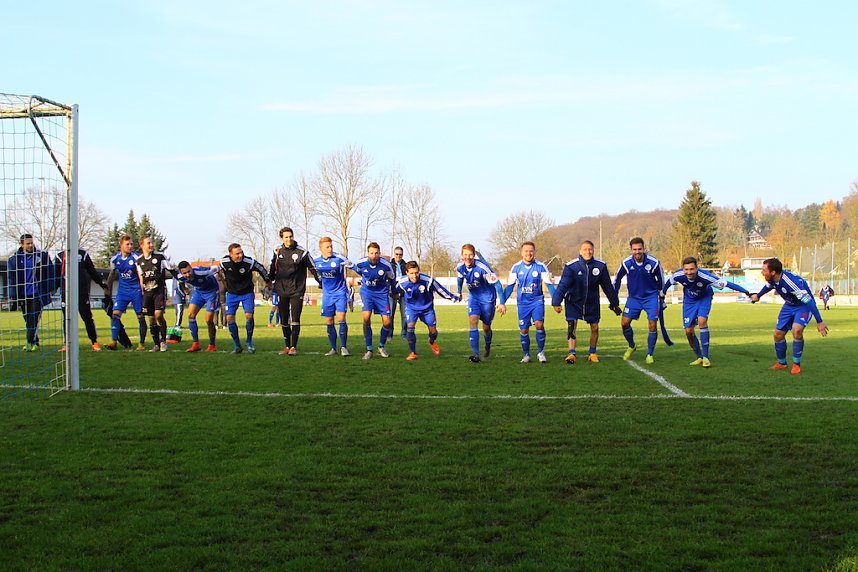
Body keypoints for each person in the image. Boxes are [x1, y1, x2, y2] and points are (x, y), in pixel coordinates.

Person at [662, 256, 750, 368]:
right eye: (686, 269)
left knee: (702, 321)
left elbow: (727, 284)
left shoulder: (706, 277)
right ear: (683, 269)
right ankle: (699, 357)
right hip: (689, 301)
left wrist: (747, 292)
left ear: (696, 269)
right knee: (688, 331)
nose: (689, 272)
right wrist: (662, 294)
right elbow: (668, 283)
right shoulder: (678, 275)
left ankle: (706, 357)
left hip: (704, 298)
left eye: (692, 269)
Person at [749, 257, 828, 374]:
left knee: (797, 330)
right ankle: (782, 363)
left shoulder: (791, 283)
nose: (762, 272)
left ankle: (796, 364)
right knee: (778, 334)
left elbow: (809, 301)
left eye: (764, 270)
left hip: (803, 306)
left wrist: (819, 321)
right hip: (789, 306)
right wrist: (758, 295)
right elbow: (769, 286)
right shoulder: (773, 279)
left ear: (773, 272)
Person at [551, 240, 622, 364]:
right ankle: (571, 353)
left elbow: (607, 286)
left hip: (592, 303)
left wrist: (614, 303)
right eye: (585, 249)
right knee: (572, 326)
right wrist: (556, 302)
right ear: (580, 251)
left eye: (590, 249)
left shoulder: (600, 266)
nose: (588, 252)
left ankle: (592, 353)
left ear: (593, 250)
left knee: (595, 328)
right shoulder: (571, 267)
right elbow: (563, 285)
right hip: (573, 302)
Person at [499, 241, 556, 363]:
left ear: (534, 252)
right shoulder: (516, 267)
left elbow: (549, 285)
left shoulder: (541, 267)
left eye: (531, 251)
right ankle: (526, 355)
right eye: (526, 251)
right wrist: (502, 302)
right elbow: (509, 287)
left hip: (537, 301)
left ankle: (540, 352)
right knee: (524, 330)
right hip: (522, 303)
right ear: (521, 252)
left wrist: (556, 301)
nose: (528, 253)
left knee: (539, 324)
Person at [268, 227, 319, 356]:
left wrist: (321, 282)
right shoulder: (277, 251)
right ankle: (287, 346)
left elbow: (313, 268)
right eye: (286, 237)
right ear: (282, 238)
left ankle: (293, 347)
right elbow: (272, 268)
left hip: (297, 290)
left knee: (295, 318)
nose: (289, 239)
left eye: (290, 236)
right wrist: (268, 281)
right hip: (281, 290)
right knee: (284, 320)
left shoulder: (302, 252)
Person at [613, 237, 664, 364]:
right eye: (634, 249)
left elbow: (661, 280)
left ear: (644, 248)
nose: (637, 252)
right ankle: (631, 346)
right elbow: (617, 279)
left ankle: (650, 354)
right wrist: (614, 297)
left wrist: (661, 296)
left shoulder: (653, 262)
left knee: (652, 324)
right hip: (634, 298)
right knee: (624, 323)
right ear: (631, 250)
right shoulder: (626, 263)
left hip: (651, 298)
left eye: (639, 249)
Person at [397, 260, 460, 360]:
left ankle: (432, 341)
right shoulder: (402, 282)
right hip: (411, 308)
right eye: (412, 273)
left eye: (416, 273)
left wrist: (453, 298)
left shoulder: (428, 281)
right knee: (410, 328)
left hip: (427, 309)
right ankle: (413, 352)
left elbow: (440, 290)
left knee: (433, 332)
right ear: (406, 273)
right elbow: (393, 290)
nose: (414, 276)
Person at [456, 244, 505, 362]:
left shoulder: (483, 268)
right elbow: (460, 278)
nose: (467, 257)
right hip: (474, 298)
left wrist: (502, 303)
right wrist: (459, 292)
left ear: (474, 255)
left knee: (486, 327)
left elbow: (498, 284)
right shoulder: (460, 267)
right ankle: (475, 354)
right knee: (473, 321)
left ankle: (487, 347)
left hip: (488, 299)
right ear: (462, 255)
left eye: (470, 255)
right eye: (465, 255)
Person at [6, 233, 55, 351]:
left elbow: (50, 271)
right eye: (28, 243)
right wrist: (12, 295)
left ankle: (29, 343)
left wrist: (51, 287)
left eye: (32, 242)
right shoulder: (14, 259)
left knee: (34, 318)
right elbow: (11, 278)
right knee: (27, 319)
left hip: (38, 292)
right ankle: (35, 342)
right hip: (23, 294)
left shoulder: (42, 256)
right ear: (21, 244)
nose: (30, 245)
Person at [56, 247, 110, 352]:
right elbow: (56, 275)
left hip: (82, 292)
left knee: (87, 317)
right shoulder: (60, 256)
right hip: (66, 293)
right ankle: (67, 344)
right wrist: (51, 289)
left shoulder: (83, 254)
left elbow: (92, 271)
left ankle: (94, 342)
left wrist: (102, 284)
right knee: (66, 318)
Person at [220, 243, 269, 354]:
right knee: (229, 318)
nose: (240, 255)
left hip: (247, 293)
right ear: (231, 254)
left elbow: (261, 268)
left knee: (249, 316)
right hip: (232, 294)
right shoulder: (224, 262)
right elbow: (216, 271)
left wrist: (267, 281)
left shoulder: (249, 262)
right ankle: (237, 346)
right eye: (237, 253)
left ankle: (249, 342)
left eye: (241, 252)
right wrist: (224, 282)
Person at [353, 242, 397, 359]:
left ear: (379, 253)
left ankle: (381, 346)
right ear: (368, 253)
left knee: (387, 321)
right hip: (367, 293)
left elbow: (392, 278)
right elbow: (357, 269)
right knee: (366, 317)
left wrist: (394, 292)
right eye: (371, 253)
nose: (374, 255)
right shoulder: (361, 262)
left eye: (376, 253)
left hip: (382, 294)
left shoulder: (386, 265)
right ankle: (369, 349)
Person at [104, 234, 147, 351]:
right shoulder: (115, 259)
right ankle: (114, 342)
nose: (130, 246)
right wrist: (107, 291)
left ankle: (141, 344)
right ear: (121, 245)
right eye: (127, 244)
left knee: (140, 317)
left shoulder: (136, 258)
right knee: (115, 315)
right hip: (122, 292)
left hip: (136, 291)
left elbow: (141, 275)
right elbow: (111, 275)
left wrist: (143, 290)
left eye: (131, 244)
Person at [312, 237, 354, 356]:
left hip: (340, 293)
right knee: (329, 321)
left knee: (341, 319)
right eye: (327, 247)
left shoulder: (339, 258)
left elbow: (354, 266)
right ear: (321, 248)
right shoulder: (315, 261)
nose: (330, 249)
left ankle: (344, 347)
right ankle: (333, 348)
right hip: (327, 295)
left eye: (331, 246)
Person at [136, 236, 177, 352]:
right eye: (148, 243)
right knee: (151, 319)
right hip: (147, 293)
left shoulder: (159, 257)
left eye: (151, 242)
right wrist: (142, 290)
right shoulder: (139, 261)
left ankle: (163, 341)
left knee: (158, 315)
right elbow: (141, 277)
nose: (151, 245)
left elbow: (171, 269)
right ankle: (156, 345)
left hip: (159, 291)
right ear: (142, 245)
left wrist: (181, 279)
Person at [176, 261, 224, 353]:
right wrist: (185, 290)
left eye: (189, 271)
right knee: (191, 315)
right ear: (181, 273)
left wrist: (222, 280)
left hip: (212, 292)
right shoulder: (180, 276)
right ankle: (196, 344)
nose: (187, 275)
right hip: (199, 292)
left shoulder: (201, 271)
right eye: (185, 273)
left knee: (208, 319)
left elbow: (217, 268)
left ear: (191, 268)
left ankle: (212, 345)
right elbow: (180, 282)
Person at [388, 246, 408, 340]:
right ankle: (389, 335)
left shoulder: (406, 266)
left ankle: (404, 334)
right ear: (394, 254)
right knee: (390, 314)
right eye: (397, 254)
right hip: (392, 293)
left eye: (400, 254)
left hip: (403, 293)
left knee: (405, 315)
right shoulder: (389, 265)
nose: (398, 256)